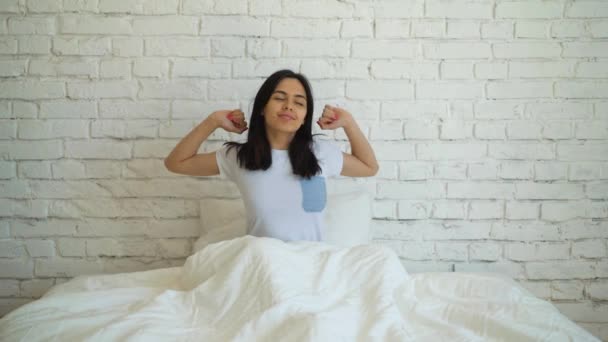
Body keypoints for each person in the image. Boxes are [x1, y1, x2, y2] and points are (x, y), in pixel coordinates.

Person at [164, 69, 378, 242]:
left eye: (299, 103)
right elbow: (176, 163)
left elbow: (369, 167)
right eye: (279, 98)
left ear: (304, 117)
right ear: (262, 108)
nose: (289, 106)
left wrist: (349, 123)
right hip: (264, 264)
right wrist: (213, 121)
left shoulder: (321, 152)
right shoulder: (239, 156)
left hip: (311, 264)